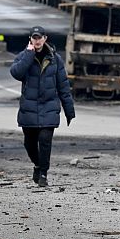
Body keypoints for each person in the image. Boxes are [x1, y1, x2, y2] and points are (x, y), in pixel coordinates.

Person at [9, 26, 76, 188]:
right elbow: (16, 73)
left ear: (45, 38)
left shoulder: (55, 59)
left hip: (49, 107)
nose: (37, 41)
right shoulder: (24, 56)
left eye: (40, 37)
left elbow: (63, 86)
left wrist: (69, 110)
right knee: (29, 143)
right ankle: (38, 165)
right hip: (29, 108)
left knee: (45, 140)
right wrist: (29, 54)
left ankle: (44, 174)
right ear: (30, 39)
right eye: (34, 37)